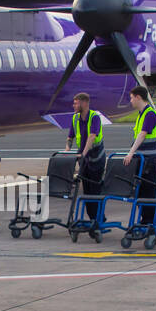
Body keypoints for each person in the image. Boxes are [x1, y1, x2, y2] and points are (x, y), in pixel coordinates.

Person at [123, 86, 156, 230]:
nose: (131, 100)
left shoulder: (150, 114)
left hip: (149, 161)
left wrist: (130, 153)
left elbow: (143, 134)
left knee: (148, 192)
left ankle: (150, 222)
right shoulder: (142, 114)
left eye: (132, 97)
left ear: (138, 97)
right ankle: (145, 220)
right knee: (140, 192)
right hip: (142, 161)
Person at [67, 92, 105, 222]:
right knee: (87, 190)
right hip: (84, 160)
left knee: (95, 189)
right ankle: (93, 218)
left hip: (96, 158)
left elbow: (92, 136)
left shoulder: (95, 117)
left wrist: (83, 153)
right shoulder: (75, 118)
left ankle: (98, 218)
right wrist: (67, 151)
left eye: (76, 103)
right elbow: (70, 136)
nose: (74, 105)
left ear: (84, 103)